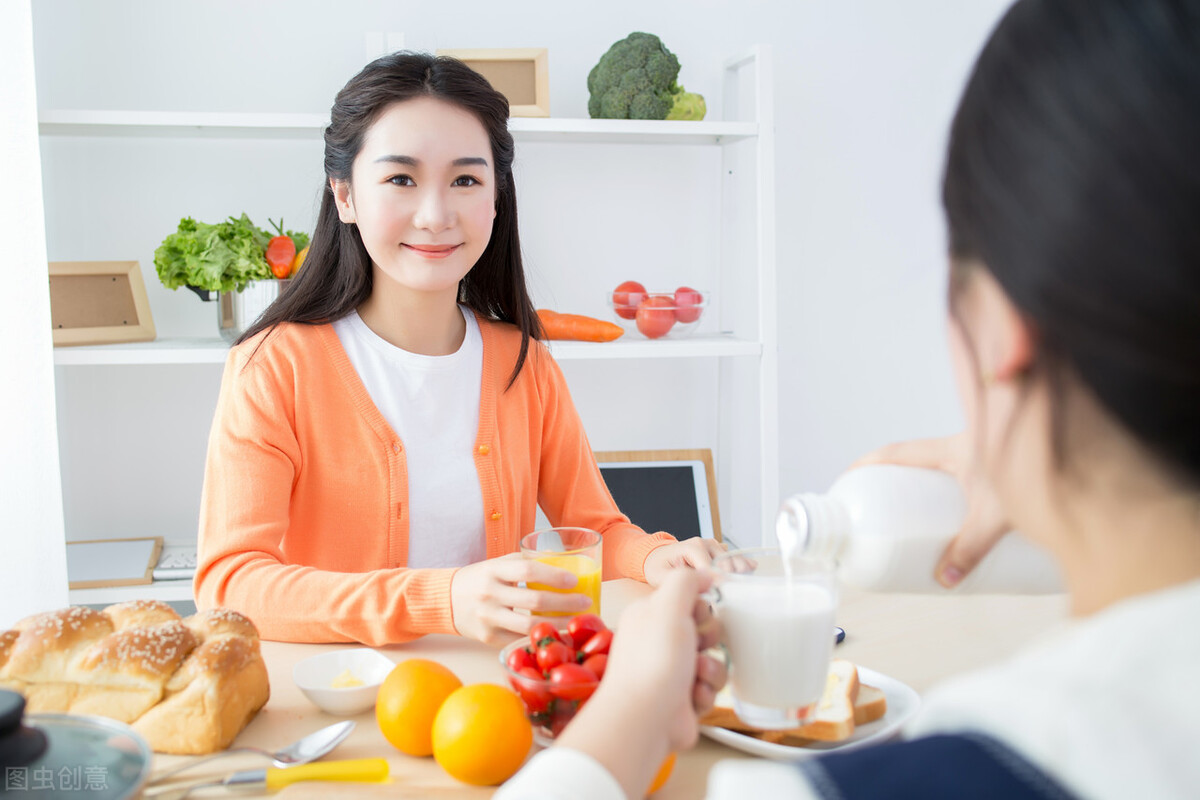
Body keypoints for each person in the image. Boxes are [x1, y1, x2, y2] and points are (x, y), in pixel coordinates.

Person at [497, 0, 1200, 797]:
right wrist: (1065, 493)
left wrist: (625, 714)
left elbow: (599, 525)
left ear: (1001, 329)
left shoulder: (957, 774)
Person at [193, 52, 723, 647]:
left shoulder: (526, 364)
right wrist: (440, 600)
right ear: (344, 196)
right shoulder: (272, 368)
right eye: (400, 179)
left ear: (496, 198)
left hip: (502, 692)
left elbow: (596, 528)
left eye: (466, 179)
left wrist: (659, 558)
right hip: (345, 699)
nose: (435, 214)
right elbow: (229, 582)